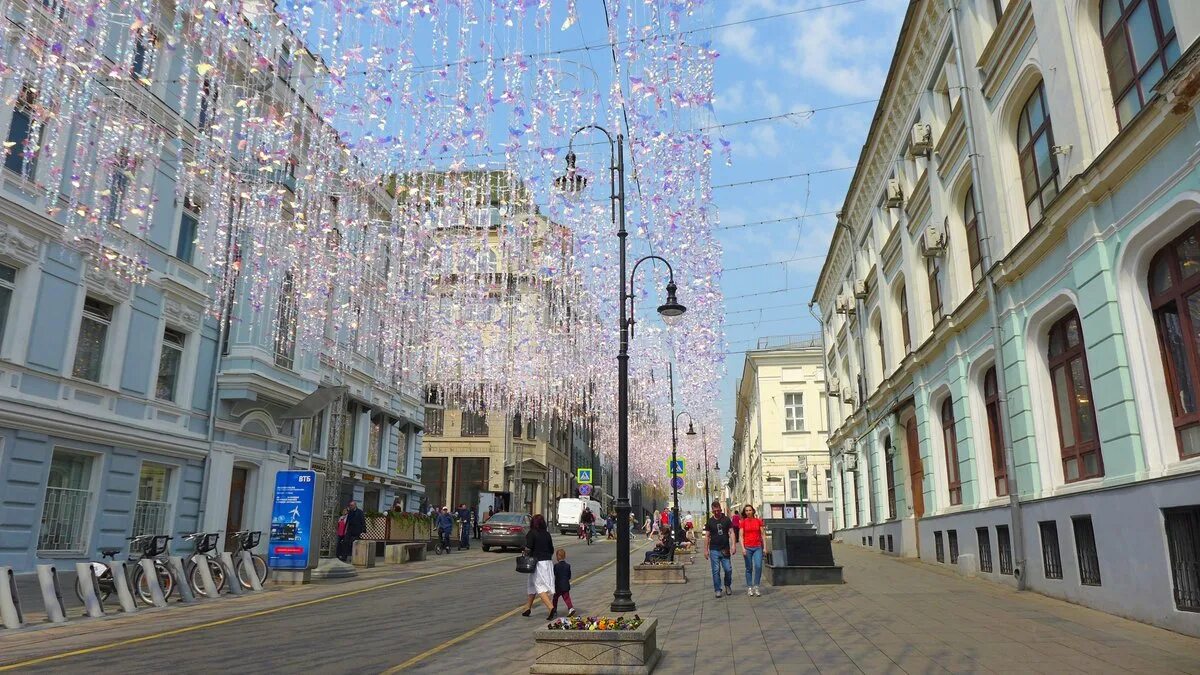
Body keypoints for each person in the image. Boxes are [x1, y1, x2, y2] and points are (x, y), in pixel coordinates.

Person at [522, 514, 557, 619]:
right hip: (547, 562)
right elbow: (551, 549)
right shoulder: (547, 534)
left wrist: (524, 552)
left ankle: (551, 607)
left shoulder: (531, 533)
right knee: (532, 585)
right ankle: (527, 608)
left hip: (537, 563)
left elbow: (528, 548)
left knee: (540, 586)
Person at [704, 500, 735, 599]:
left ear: (721, 509)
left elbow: (731, 532)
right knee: (716, 570)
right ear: (712, 511)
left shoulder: (726, 520)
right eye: (715, 511)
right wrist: (705, 550)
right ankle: (718, 589)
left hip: (725, 548)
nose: (717, 512)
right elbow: (707, 536)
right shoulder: (710, 521)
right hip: (714, 549)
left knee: (728, 569)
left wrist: (733, 545)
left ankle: (727, 585)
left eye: (718, 510)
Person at [739, 504, 765, 597]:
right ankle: (750, 587)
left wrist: (765, 547)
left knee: (758, 566)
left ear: (753, 511)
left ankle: (756, 586)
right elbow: (741, 536)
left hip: (757, 547)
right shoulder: (743, 522)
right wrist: (742, 548)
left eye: (750, 510)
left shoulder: (758, 521)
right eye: (746, 511)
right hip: (747, 547)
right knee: (749, 568)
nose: (748, 512)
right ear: (745, 512)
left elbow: (762, 535)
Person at [552, 548, 576, 617]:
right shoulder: (568, 565)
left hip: (558, 586)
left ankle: (554, 610)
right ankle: (571, 608)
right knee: (567, 598)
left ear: (557, 557)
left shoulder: (556, 566)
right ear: (564, 556)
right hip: (565, 585)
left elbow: (555, 574)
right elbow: (569, 576)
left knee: (555, 598)